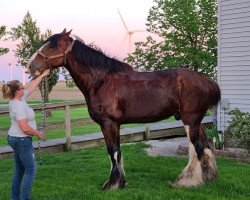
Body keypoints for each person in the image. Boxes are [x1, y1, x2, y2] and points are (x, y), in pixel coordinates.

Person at [1, 69, 50, 200]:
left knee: (19, 172)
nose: (24, 88)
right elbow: (24, 128)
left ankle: (15, 198)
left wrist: (43, 75)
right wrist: (38, 133)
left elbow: (32, 86)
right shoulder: (18, 105)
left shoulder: (18, 98)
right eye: (22, 88)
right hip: (21, 140)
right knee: (31, 171)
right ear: (17, 91)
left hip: (15, 139)